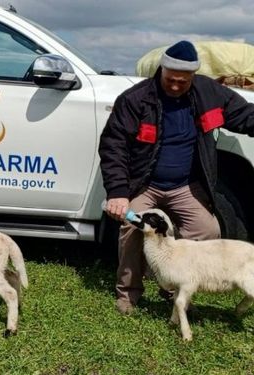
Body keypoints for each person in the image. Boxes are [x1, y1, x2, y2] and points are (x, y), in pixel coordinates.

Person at [98, 40, 254, 315]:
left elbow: (244, 116)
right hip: (145, 185)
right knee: (133, 227)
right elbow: (114, 146)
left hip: (186, 186)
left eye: (182, 81)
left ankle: (174, 288)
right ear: (162, 70)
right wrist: (118, 192)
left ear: (193, 76)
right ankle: (128, 294)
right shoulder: (136, 99)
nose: (174, 85)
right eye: (170, 79)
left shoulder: (209, 93)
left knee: (207, 231)